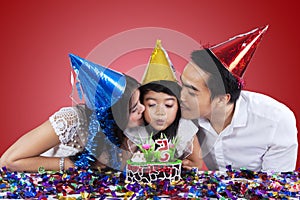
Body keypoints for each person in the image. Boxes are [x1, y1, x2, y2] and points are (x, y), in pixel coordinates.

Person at [180, 25, 298, 172]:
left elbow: (276, 188)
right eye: (182, 84)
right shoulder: (179, 112)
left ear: (222, 99)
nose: (181, 96)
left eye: (192, 91)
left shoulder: (275, 120)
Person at [0, 54, 145, 172]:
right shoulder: (72, 119)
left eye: (141, 102)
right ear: (113, 116)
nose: (143, 109)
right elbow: (8, 161)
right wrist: (74, 163)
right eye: (134, 109)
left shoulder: (134, 130)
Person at [125, 40, 203, 169]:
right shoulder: (135, 131)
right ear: (141, 105)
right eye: (151, 105)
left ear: (178, 107)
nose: (160, 112)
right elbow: (123, 164)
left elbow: (197, 163)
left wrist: (185, 166)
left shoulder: (183, 129)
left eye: (168, 105)